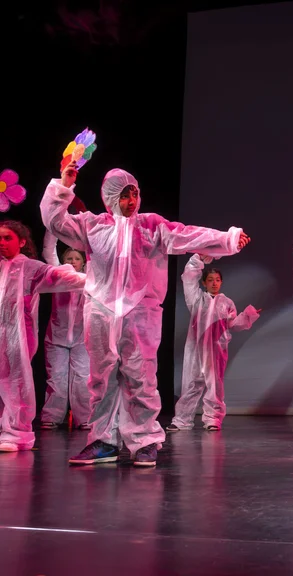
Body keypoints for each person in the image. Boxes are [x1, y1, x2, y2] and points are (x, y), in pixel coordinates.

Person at [41, 162, 251, 466]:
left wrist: (227, 240)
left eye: (135, 194)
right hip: (101, 311)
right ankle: (103, 441)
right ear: (111, 198)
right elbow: (54, 221)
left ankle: (145, 441)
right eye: (125, 195)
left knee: (141, 377)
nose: (131, 201)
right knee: (100, 379)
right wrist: (64, 184)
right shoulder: (93, 225)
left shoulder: (151, 226)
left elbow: (187, 235)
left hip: (141, 312)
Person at [0, 221, 85, 452]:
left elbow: (58, 275)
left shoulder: (28, 267)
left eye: (8, 238)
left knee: (16, 381)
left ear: (22, 242)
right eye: (0, 238)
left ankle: (17, 432)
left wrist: (102, 282)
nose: (2, 242)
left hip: (19, 335)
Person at [167, 254, 260, 432]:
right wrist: (197, 260)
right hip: (196, 349)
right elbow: (188, 278)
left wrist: (248, 315)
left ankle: (213, 419)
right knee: (191, 384)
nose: (214, 283)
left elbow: (233, 324)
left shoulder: (226, 303)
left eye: (217, 280)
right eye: (210, 280)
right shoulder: (196, 299)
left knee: (215, 386)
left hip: (216, 349)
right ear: (204, 283)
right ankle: (181, 420)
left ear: (221, 282)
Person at [39, 231, 91, 430]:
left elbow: (93, 256)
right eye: (69, 258)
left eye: (77, 258)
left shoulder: (89, 278)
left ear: (83, 262)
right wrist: (53, 226)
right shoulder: (58, 278)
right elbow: (48, 251)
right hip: (56, 337)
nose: (73, 261)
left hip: (81, 338)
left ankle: (84, 418)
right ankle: (52, 416)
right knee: (56, 378)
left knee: (83, 379)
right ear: (63, 262)